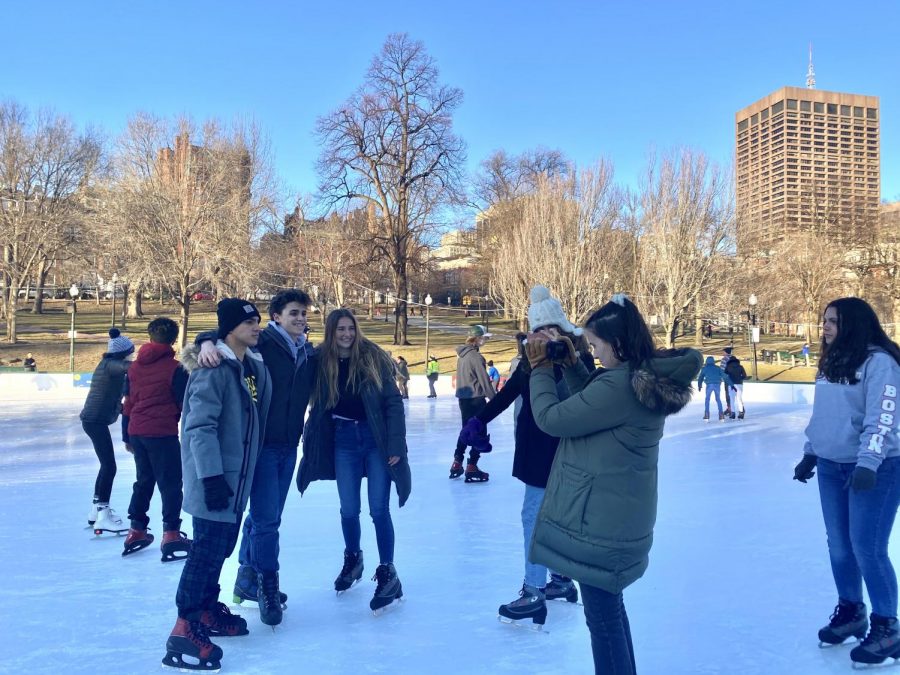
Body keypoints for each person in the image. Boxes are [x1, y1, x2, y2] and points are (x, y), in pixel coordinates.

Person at [525, 294, 702, 674]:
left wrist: (539, 368)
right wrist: (573, 366)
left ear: (617, 344)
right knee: (610, 613)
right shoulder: (640, 378)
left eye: (596, 346)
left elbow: (551, 419)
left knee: (603, 623)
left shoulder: (619, 387)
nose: (594, 352)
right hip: (621, 516)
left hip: (601, 522)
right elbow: (595, 398)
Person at [459, 285, 595, 629]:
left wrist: (558, 359)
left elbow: (584, 398)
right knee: (542, 518)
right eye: (536, 330)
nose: (542, 336)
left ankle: (535, 591)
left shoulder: (575, 359)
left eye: (549, 330)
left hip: (563, 450)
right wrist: (478, 420)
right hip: (535, 449)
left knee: (533, 518)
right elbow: (506, 396)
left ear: (562, 330)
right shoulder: (531, 361)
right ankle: (561, 578)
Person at [163, 298, 272, 672]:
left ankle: (207, 609)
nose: (257, 326)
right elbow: (198, 427)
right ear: (230, 329)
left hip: (236, 480)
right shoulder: (213, 369)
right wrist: (210, 478)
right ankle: (185, 625)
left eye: (258, 321)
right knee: (206, 551)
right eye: (249, 323)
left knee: (220, 547)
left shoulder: (247, 366)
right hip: (217, 479)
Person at [197, 289, 317, 625]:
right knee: (267, 522)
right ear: (276, 317)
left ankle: (247, 581)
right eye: (293, 313)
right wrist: (206, 341)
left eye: (304, 314)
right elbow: (227, 335)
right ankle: (267, 584)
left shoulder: (306, 351)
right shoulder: (262, 343)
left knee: (265, 516)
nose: (300, 319)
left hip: (289, 445)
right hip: (261, 447)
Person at [793, 297, 900, 667]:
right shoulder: (831, 361)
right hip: (830, 465)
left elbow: (883, 417)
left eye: (833, 321)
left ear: (853, 324)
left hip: (876, 468)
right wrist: (812, 450)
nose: (825, 327)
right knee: (839, 546)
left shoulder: (880, 363)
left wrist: (868, 462)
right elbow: (825, 415)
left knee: (867, 547)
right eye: (824, 320)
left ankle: (889, 627)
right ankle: (853, 610)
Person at [297, 309, 411, 614]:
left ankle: (388, 571)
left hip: (376, 441)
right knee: (349, 509)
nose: (347, 334)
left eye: (350, 328)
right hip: (344, 440)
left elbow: (392, 402)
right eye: (340, 330)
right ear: (331, 332)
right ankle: (353, 558)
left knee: (378, 509)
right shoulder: (321, 359)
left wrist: (396, 443)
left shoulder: (372, 356)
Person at [121, 317, 191, 561]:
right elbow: (185, 403)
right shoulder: (176, 368)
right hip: (162, 433)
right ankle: (171, 532)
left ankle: (136, 528)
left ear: (150, 337)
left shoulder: (134, 368)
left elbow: (127, 403)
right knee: (170, 483)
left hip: (137, 431)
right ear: (173, 339)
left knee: (144, 480)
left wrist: (126, 435)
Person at [81, 328, 135, 536]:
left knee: (106, 465)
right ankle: (102, 514)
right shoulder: (112, 365)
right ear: (124, 353)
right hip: (95, 421)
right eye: (131, 352)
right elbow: (131, 367)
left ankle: (96, 509)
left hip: (94, 420)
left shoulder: (110, 367)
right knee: (109, 466)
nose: (132, 355)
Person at [449, 324, 495, 482]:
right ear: (477, 339)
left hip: (464, 399)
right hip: (476, 400)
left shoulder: (462, 355)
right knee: (478, 432)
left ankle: (457, 460)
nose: (485, 341)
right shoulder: (476, 357)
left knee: (466, 430)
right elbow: (484, 382)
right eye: (483, 338)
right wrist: (495, 400)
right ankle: (472, 466)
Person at [698, 356, 733, 422]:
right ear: (713, 361)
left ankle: (707, 415)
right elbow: (725, 377)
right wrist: (731, 384)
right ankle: (721, 415)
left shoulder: (704, 368)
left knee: (707, 399)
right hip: (717, 385)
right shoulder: (718, 368)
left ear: (707, 361)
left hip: (709, 385)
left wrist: (699, 386)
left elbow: (700, 377)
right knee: (718, 399)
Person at [724, 356, 748, 420]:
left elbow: (725, 375)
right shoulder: (740, 367)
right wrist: (740, 379)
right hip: (739, 384)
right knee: (739, 399)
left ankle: (733, 414)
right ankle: (741, 413)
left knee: (732, 399)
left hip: (731, 385)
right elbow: (745, 376)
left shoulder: (728, 367)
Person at [720, 346, 735, 415]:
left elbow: (722, 370)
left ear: (726, 352)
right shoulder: (734, 359)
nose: (722, 353)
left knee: (728, 393)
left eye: (723, 352)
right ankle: (739, 409)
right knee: (734, 394)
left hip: (727, 379)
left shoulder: (724, 359)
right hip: (735, 378)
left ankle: (729, 408)